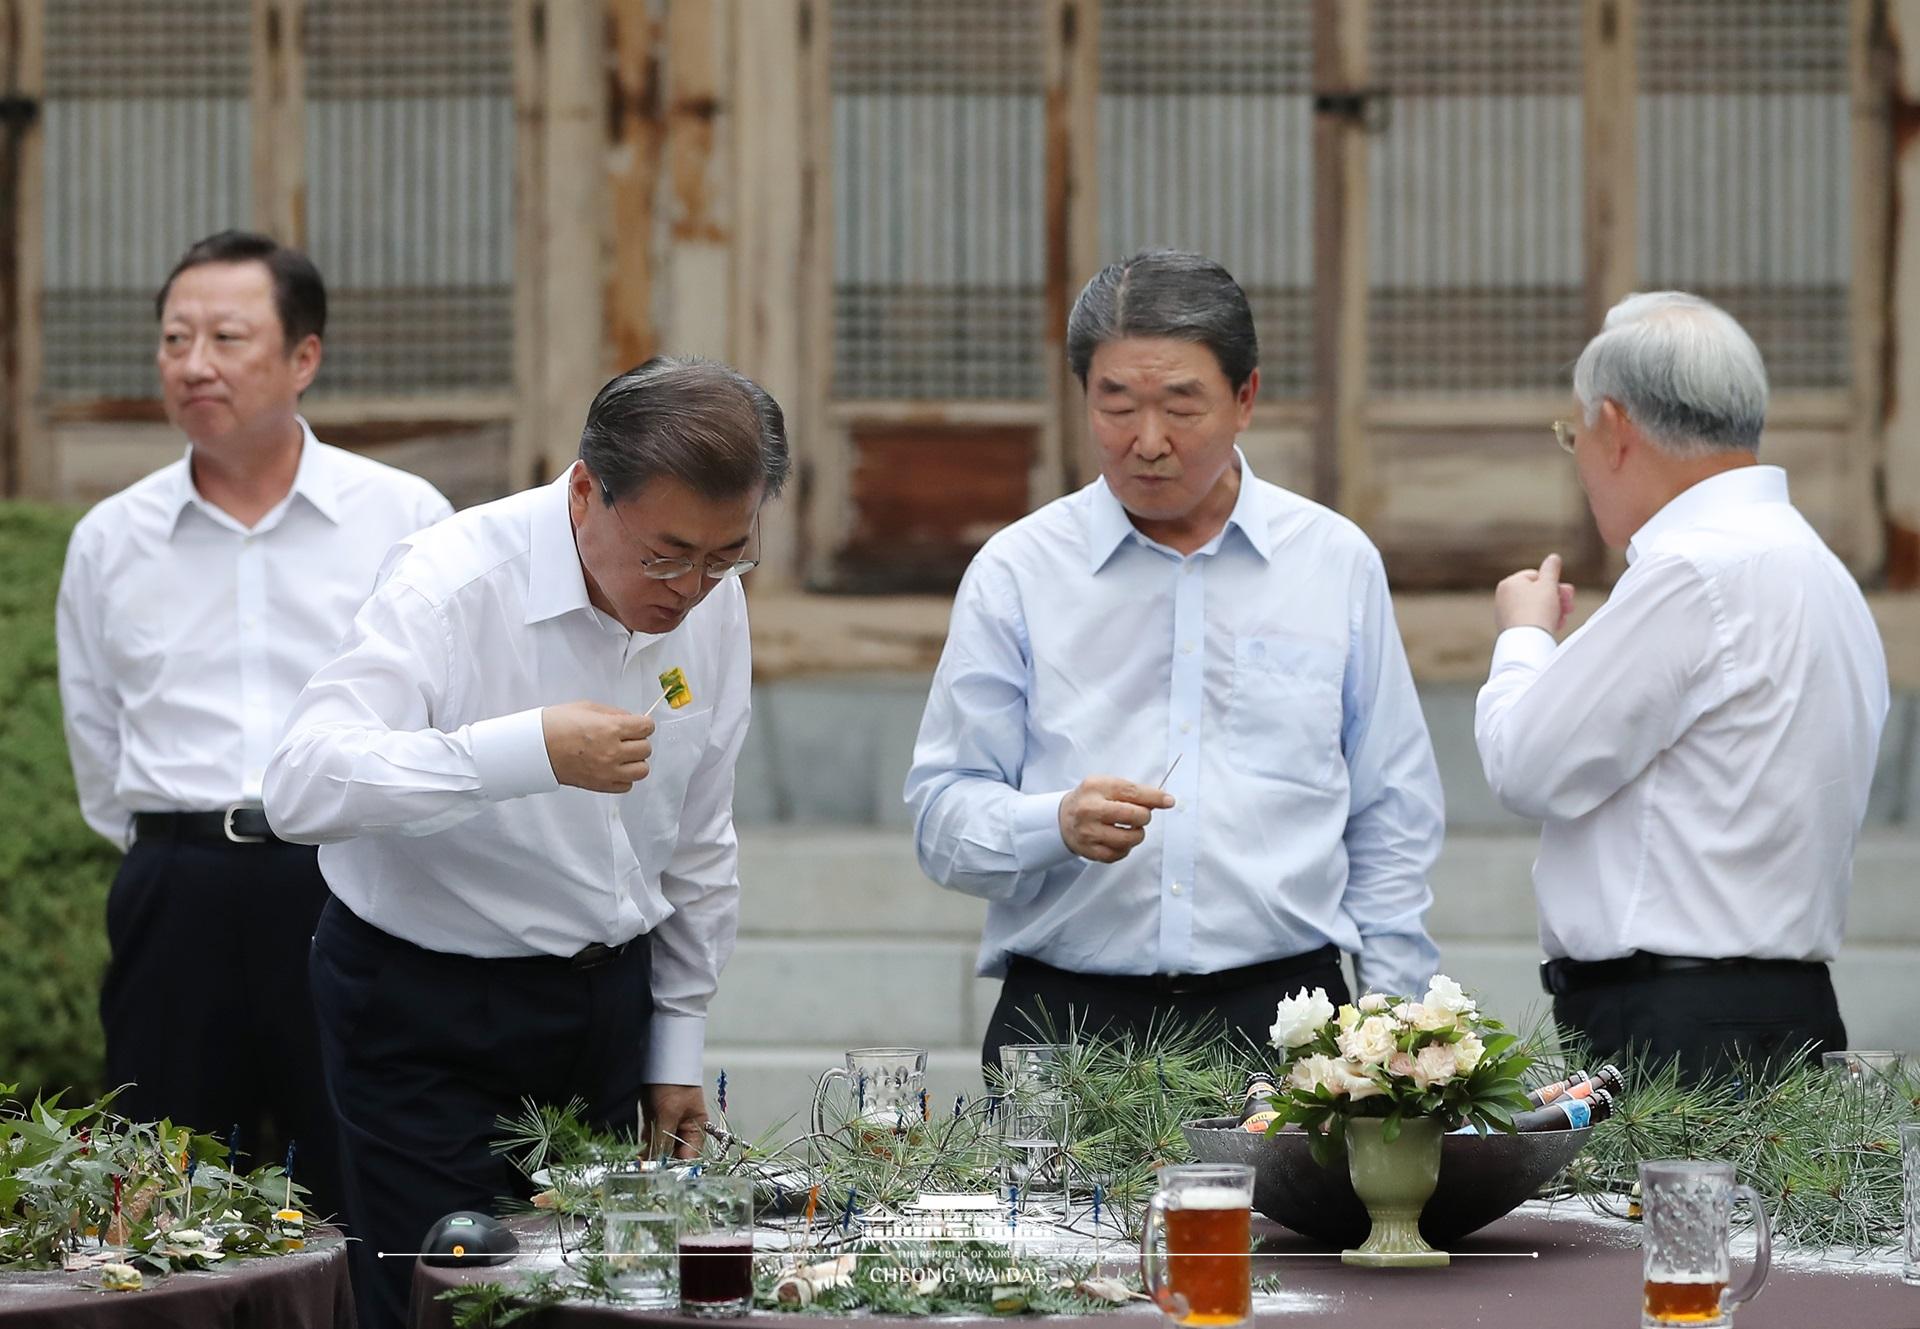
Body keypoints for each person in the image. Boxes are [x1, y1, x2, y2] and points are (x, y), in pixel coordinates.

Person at [263, 355, 785, 1329]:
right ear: (586, 492)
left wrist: (676, 1042)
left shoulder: (711, 606)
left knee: (593, 1299)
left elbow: (698, 835)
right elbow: (302, 784)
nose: (693, 589)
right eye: (667, 555)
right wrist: (524, 751)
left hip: (601, 1004)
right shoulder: (453, 583)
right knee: (446, 1301)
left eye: (728, 557)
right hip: (425, 1010)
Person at [904, 250, 1445, 1070]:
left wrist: (1397, 1026)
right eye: (1115, 405)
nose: (1146, 442)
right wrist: (1053, 823)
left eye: (1181, 407)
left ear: (1245, 399)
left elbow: (1392, 808)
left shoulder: (1332, 561)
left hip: (1287, 1021)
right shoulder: (1019, 570)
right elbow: (941, 815)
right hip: (1066, 1023)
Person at [55, 230, 452, 1218]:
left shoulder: (400, 516)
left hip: (345, 886)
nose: (194, 364)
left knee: (359, 1182)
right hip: (175, 891)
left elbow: (448, 713)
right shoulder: (111, 538)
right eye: (175, 339)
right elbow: (95, 739)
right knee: (154, 1194)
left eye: (227, 337)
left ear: (303, 357)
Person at [1475, 291, 1890, 1083]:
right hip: (1781, 1002)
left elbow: (1526, 765)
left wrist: (1524, 634)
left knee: (1674, 1212)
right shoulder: (1819, 569)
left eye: (1575, 438)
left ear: (1615, 426)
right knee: (1767, 1216)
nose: (1583, 466)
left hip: (1675, 1024)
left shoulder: (1696, 568)